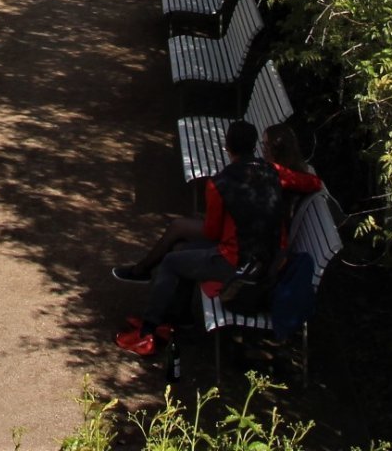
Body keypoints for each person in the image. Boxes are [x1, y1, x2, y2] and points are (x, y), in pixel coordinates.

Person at [110, 119, 287, 356]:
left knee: (172, 262)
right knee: (182, 249)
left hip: (239, 265)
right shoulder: (271, 172)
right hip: (265, 258)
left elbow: (212, 233)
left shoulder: (219, 183)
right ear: (254, 146)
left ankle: (148, 331)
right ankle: (179, 317)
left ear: (227, 146)